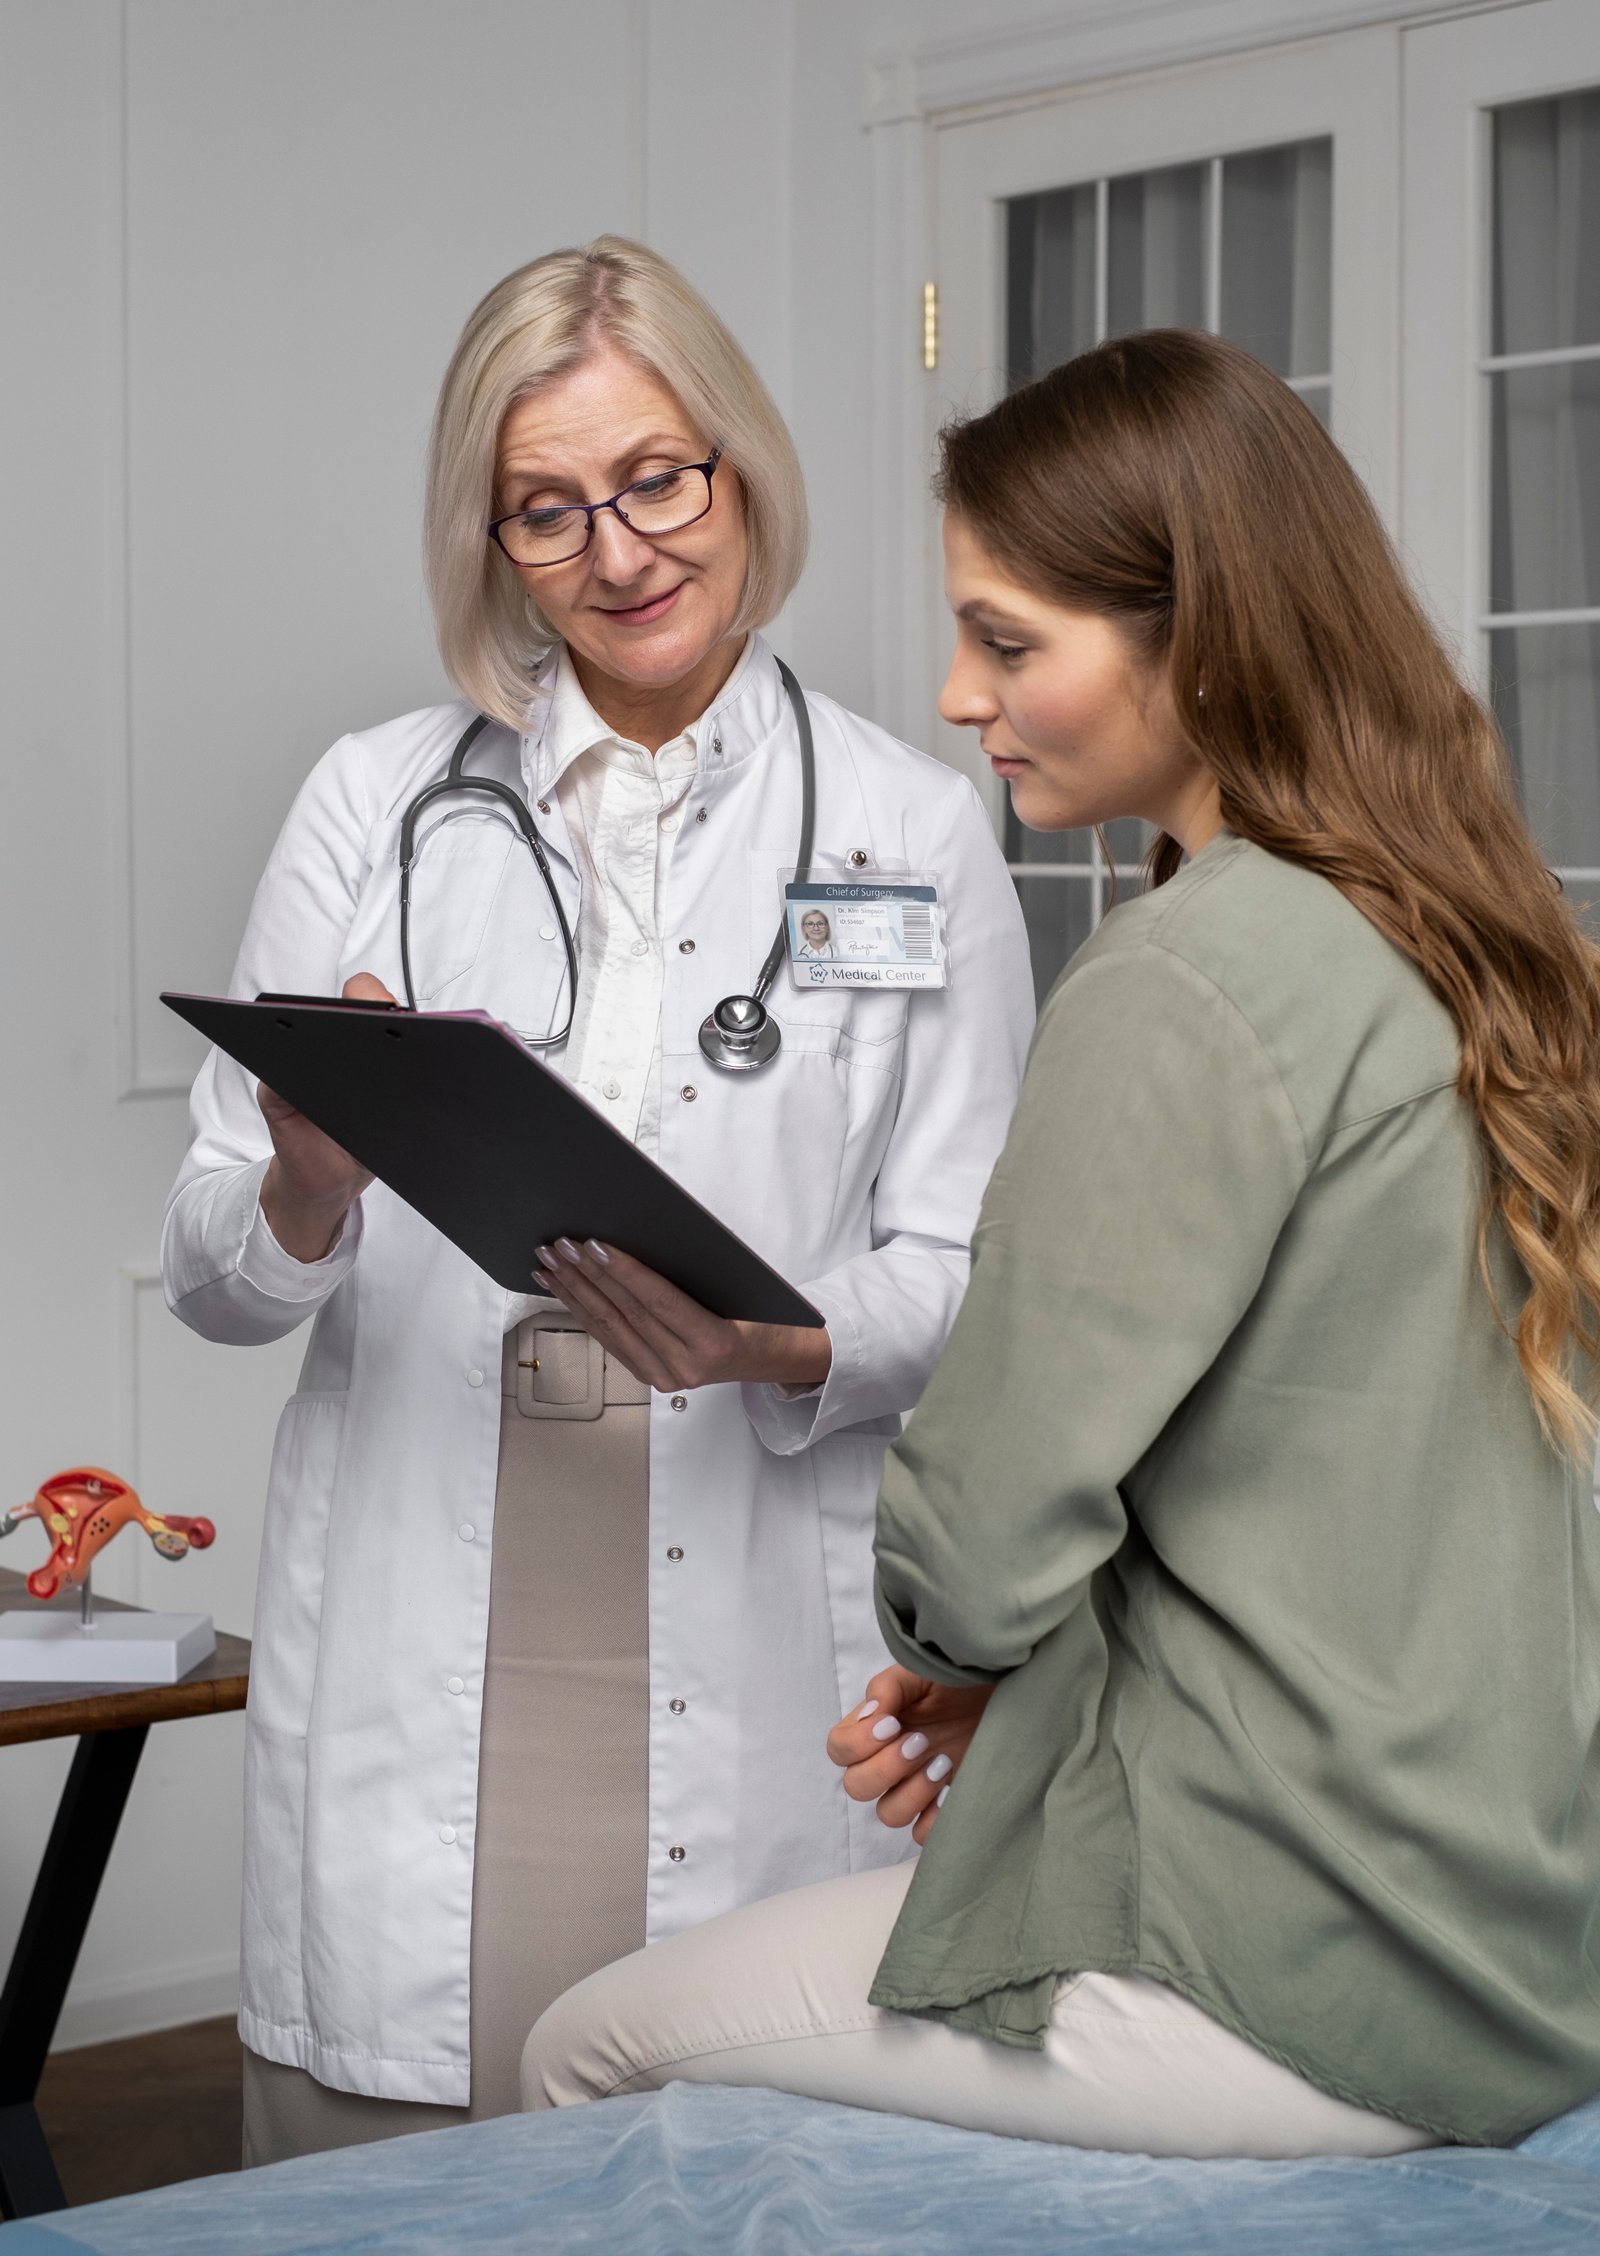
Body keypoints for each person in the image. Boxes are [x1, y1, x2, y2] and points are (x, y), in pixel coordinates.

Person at [519, 329, 1600, 2158]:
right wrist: (1019, 1666)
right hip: (1519, 1948)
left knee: (582, 2050)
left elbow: (978, 1542)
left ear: (1209, 637)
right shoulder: (1468, 938)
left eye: (1011, 642)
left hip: (1289, 1977)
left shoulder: (1184, 977)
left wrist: (963, 1633)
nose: (958, 693)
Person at [162, 237, 1034, 2161]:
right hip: (432, 1601)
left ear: (740, 471)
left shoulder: (912, 825)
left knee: (725, 2156)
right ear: (488, 540)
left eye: (658, 481)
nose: (620, 551)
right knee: (381, 2172)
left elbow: (973, 1273)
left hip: (746, 1578)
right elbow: (215, 1277)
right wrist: (307, 1184)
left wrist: (783, 1342)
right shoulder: (373, 804)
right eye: (546, 511)